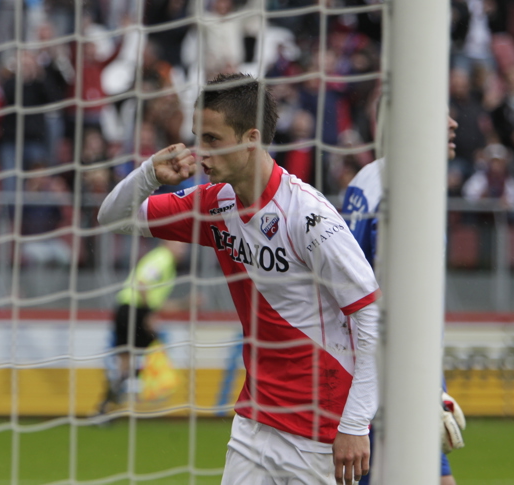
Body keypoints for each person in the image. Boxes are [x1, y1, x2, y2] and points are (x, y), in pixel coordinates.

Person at [98, 73, 380, 485]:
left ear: (250, 139)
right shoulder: (215, 204)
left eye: (212, 139)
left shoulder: (309, 218)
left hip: (320, 431)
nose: (201, 152)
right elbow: (114, 217)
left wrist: (355, 425)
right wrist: (149, 174)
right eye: (198, 137)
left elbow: (372, 318)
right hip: (253, 424)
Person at [342, 112, 468, 485]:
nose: (453, 124)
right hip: (387, 377)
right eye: (439, 113)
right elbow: (389, 305)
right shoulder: (400, 191)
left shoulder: (375, 179)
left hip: (393, 370)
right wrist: (424, 386)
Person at [98, 240, 189, 415]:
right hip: (134, 310)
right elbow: (142, 283)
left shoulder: (164, 262)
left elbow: (156, 300)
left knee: (127, 362)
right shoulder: (162, 259)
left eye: (184, 247)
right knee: (153, 350)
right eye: (179, 245)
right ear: (166, 244)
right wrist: (149, 314)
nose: (182, 250)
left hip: (128, 308)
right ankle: (141, 391)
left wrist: (186, 304)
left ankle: (106, 405)